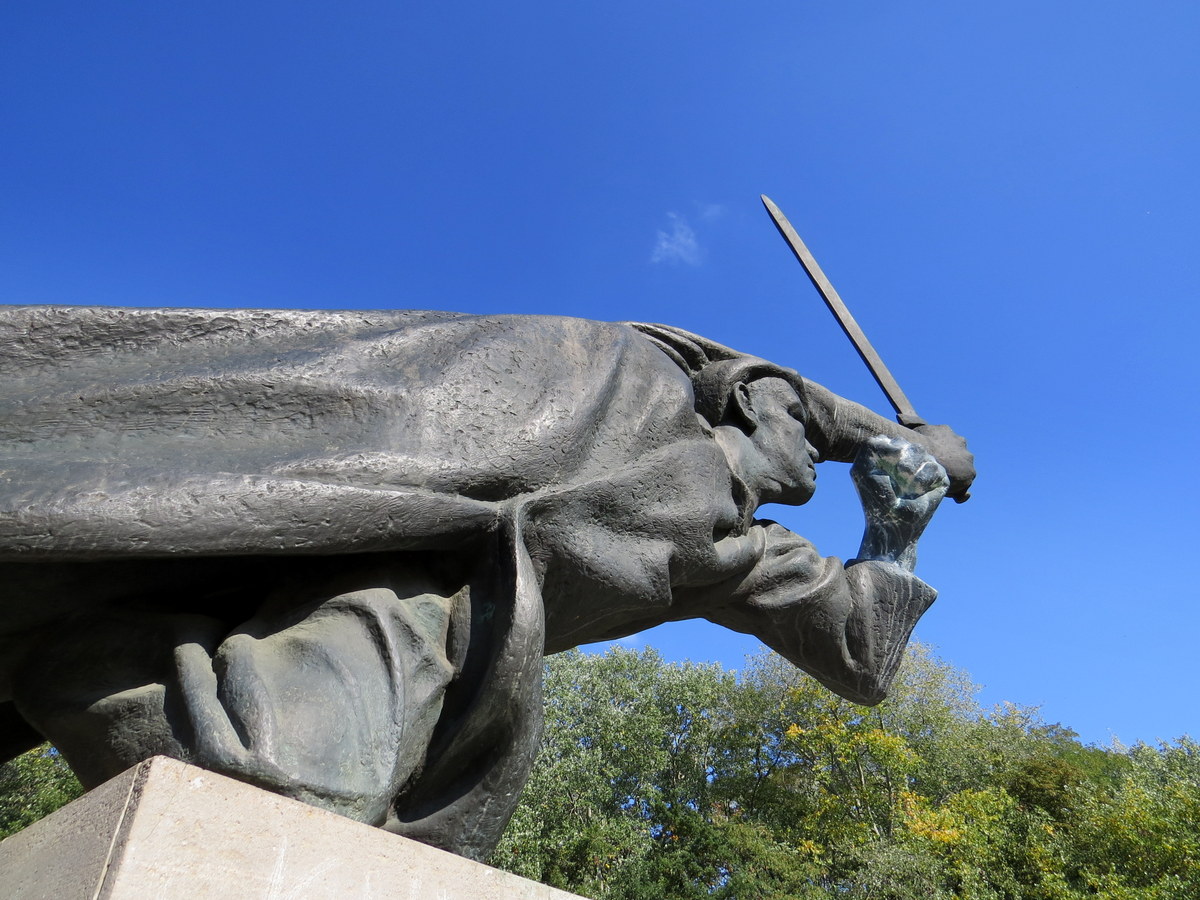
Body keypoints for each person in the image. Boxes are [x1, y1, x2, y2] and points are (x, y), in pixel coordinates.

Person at [0, 306, 973, 859]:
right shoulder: (634, 375)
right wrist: (884, 434)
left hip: (438, 629)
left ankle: (80, 641)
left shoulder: (744, 551)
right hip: (366, 534)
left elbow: (859, 653)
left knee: (287, 805)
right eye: (800, 430)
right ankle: (77, 636)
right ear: (755, 404)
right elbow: (777, 386)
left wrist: (897, 521)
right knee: (271, 794)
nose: (813, 454)